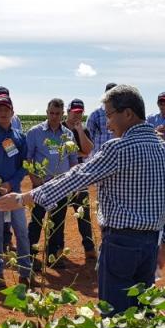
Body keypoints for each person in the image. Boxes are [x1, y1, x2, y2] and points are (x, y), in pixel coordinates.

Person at [0, 85, 165, 315]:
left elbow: (77, 176)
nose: (107, 123)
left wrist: (26, 197)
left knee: (115, 315)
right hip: (151, 244)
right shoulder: (164, 149)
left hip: (121, 244)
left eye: (109, 115)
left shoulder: (118, 148)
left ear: (128, 114)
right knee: (142, 312)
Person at [0, 95, 32, 286]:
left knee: (21, 230)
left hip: (15, 192)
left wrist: (11, 183)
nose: (3, 112)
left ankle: (25, 271)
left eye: (6, 109)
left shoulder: (19, 137)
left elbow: (24, 164)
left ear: (12, 112)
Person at [26, 98, 76, 268]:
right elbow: (28, 158)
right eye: (51, 113)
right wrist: (34, 180)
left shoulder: (68, 135)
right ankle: (31, 258)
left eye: (57, 113)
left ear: (62, 114)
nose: (54, 116)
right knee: (36, 221)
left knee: (58, 222)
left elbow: (73, 161)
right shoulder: (35, 132)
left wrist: (71, 182)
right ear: (47, 112)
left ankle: (52, 257)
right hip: (42, 185)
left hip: (62, 186)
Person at [63, 98, 97, 260]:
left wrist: (80, 131)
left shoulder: (83, 129)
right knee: (59, 214)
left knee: (83, 214)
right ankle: (57, 249)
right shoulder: (59, 128)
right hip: (62, 177)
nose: (77, 115)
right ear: (68, 111)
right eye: (74, 112)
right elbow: (59, 154)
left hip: (79, 177)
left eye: (80, 112)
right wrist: (77, 153)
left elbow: (88, 150)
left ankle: (89, 248)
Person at [85, 82, 117, 154]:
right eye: (110, 95)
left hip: (116, 156)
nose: (112, 99)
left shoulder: (121, 114)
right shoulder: (95, 114)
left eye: (115, 96)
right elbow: (88, 138)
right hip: (99, 157)